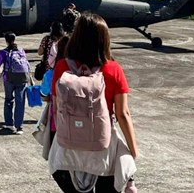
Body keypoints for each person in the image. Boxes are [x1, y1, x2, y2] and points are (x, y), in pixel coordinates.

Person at [49, 13, 138, 193]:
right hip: (103, 146)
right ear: (104, 39)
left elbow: (57, 108)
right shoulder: (113, 70)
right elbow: (122, 114)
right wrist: (133, 151)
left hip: (69, 146)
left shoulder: (62, 68)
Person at [0, 32, 30, 135]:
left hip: (8, 79)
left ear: (6, 40)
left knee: (8, 100)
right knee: (20, 102)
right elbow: (27, 64)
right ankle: (19, 127)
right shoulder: (21, 50)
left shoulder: (3, 52)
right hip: (22, 78)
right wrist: (30, 79)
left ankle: (9, 123)